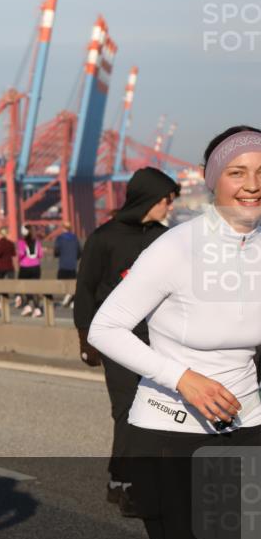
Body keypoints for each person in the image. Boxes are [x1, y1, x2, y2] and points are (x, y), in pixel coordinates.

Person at [82, 126, 261, 539]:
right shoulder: (177, 248)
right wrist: (184, 377)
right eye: (237, 172)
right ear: (211, 180)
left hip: (244, 431)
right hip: (168, 432)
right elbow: (106, 327)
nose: (252, 184)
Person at [73, 167, 180, 515]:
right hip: (117, 338)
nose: (170, 207)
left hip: (160, 339)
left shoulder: (167, 239)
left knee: (160, 410)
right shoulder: (103, 239)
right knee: (127, 408)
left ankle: (143, 479)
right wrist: (86, 339)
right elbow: (85, 290)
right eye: (167, 200)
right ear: (149, 199)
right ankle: (124, 482)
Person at [16, 225, 43, 317]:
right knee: (35, 288)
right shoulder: (37, 242)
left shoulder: (21, 242)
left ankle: (27, 305)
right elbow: (40, 255)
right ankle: (37, 308)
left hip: (25, 267)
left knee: (24, 286)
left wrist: (20, 261)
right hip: (36, 267)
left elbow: (21, 254)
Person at [54, 222, 82, 307]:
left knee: (61, 281)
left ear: (63, 228)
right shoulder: (75, 238)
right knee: (73, 283)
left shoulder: (60, 238)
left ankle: (68, 296)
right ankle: (72, 302)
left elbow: (56, 252)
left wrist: (58, 254)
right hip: (72, 266)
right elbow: (79, 252)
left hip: (63, 265)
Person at [0, 226, 16, 309]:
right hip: (10, 266)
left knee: (0, 284)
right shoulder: (11, 243)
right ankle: (17, 297)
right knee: (12, 283)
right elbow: (13, 254)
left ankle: (1, 300)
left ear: (0, 234)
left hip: (1, 266)